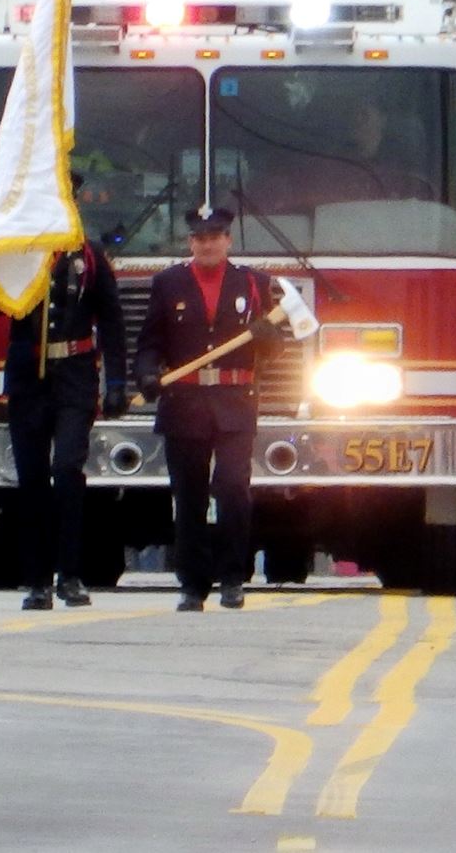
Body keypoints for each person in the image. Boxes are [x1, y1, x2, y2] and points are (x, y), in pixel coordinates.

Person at [137, 204, 290, 613]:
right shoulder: (168, 283)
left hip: (234, 404)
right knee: (188, 497)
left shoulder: (253, 283)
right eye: (200, 238)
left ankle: (233, 577)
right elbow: (151, 341)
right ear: (191, 242)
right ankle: (192, 584)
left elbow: (276, 349)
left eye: (215, 237)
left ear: (228, 240)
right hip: (184, 403)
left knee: (232, 489)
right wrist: (147, 373)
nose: (207, 244)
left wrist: (265, 334)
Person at [4, 185, 129, 611]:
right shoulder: (16, 253)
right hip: (28, 375)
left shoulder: (88, 256)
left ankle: (70, 575)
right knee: (32, 477)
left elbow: (111, 320)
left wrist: (117, 383)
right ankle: (37, 580)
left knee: (67, 468)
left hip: (75, 374)